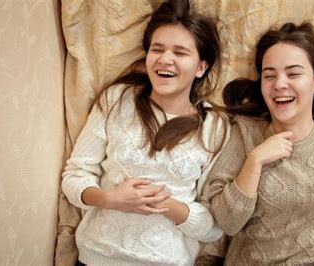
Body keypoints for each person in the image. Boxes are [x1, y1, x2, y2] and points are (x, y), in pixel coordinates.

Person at [198, 22, 314, 266]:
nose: (279, 84)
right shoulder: (243, 134)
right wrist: (255, 161)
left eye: (293, 73)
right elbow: (226, 222)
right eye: (269, 75)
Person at [61, 0, 229, 265]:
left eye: (180, 52)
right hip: (98, 257)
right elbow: (75, 175)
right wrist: (110, 199)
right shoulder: (117, 100)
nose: (165, 59)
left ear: (201, 67)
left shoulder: (214, 127)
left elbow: (215, 227)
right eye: (157, 49)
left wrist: (167, 205)